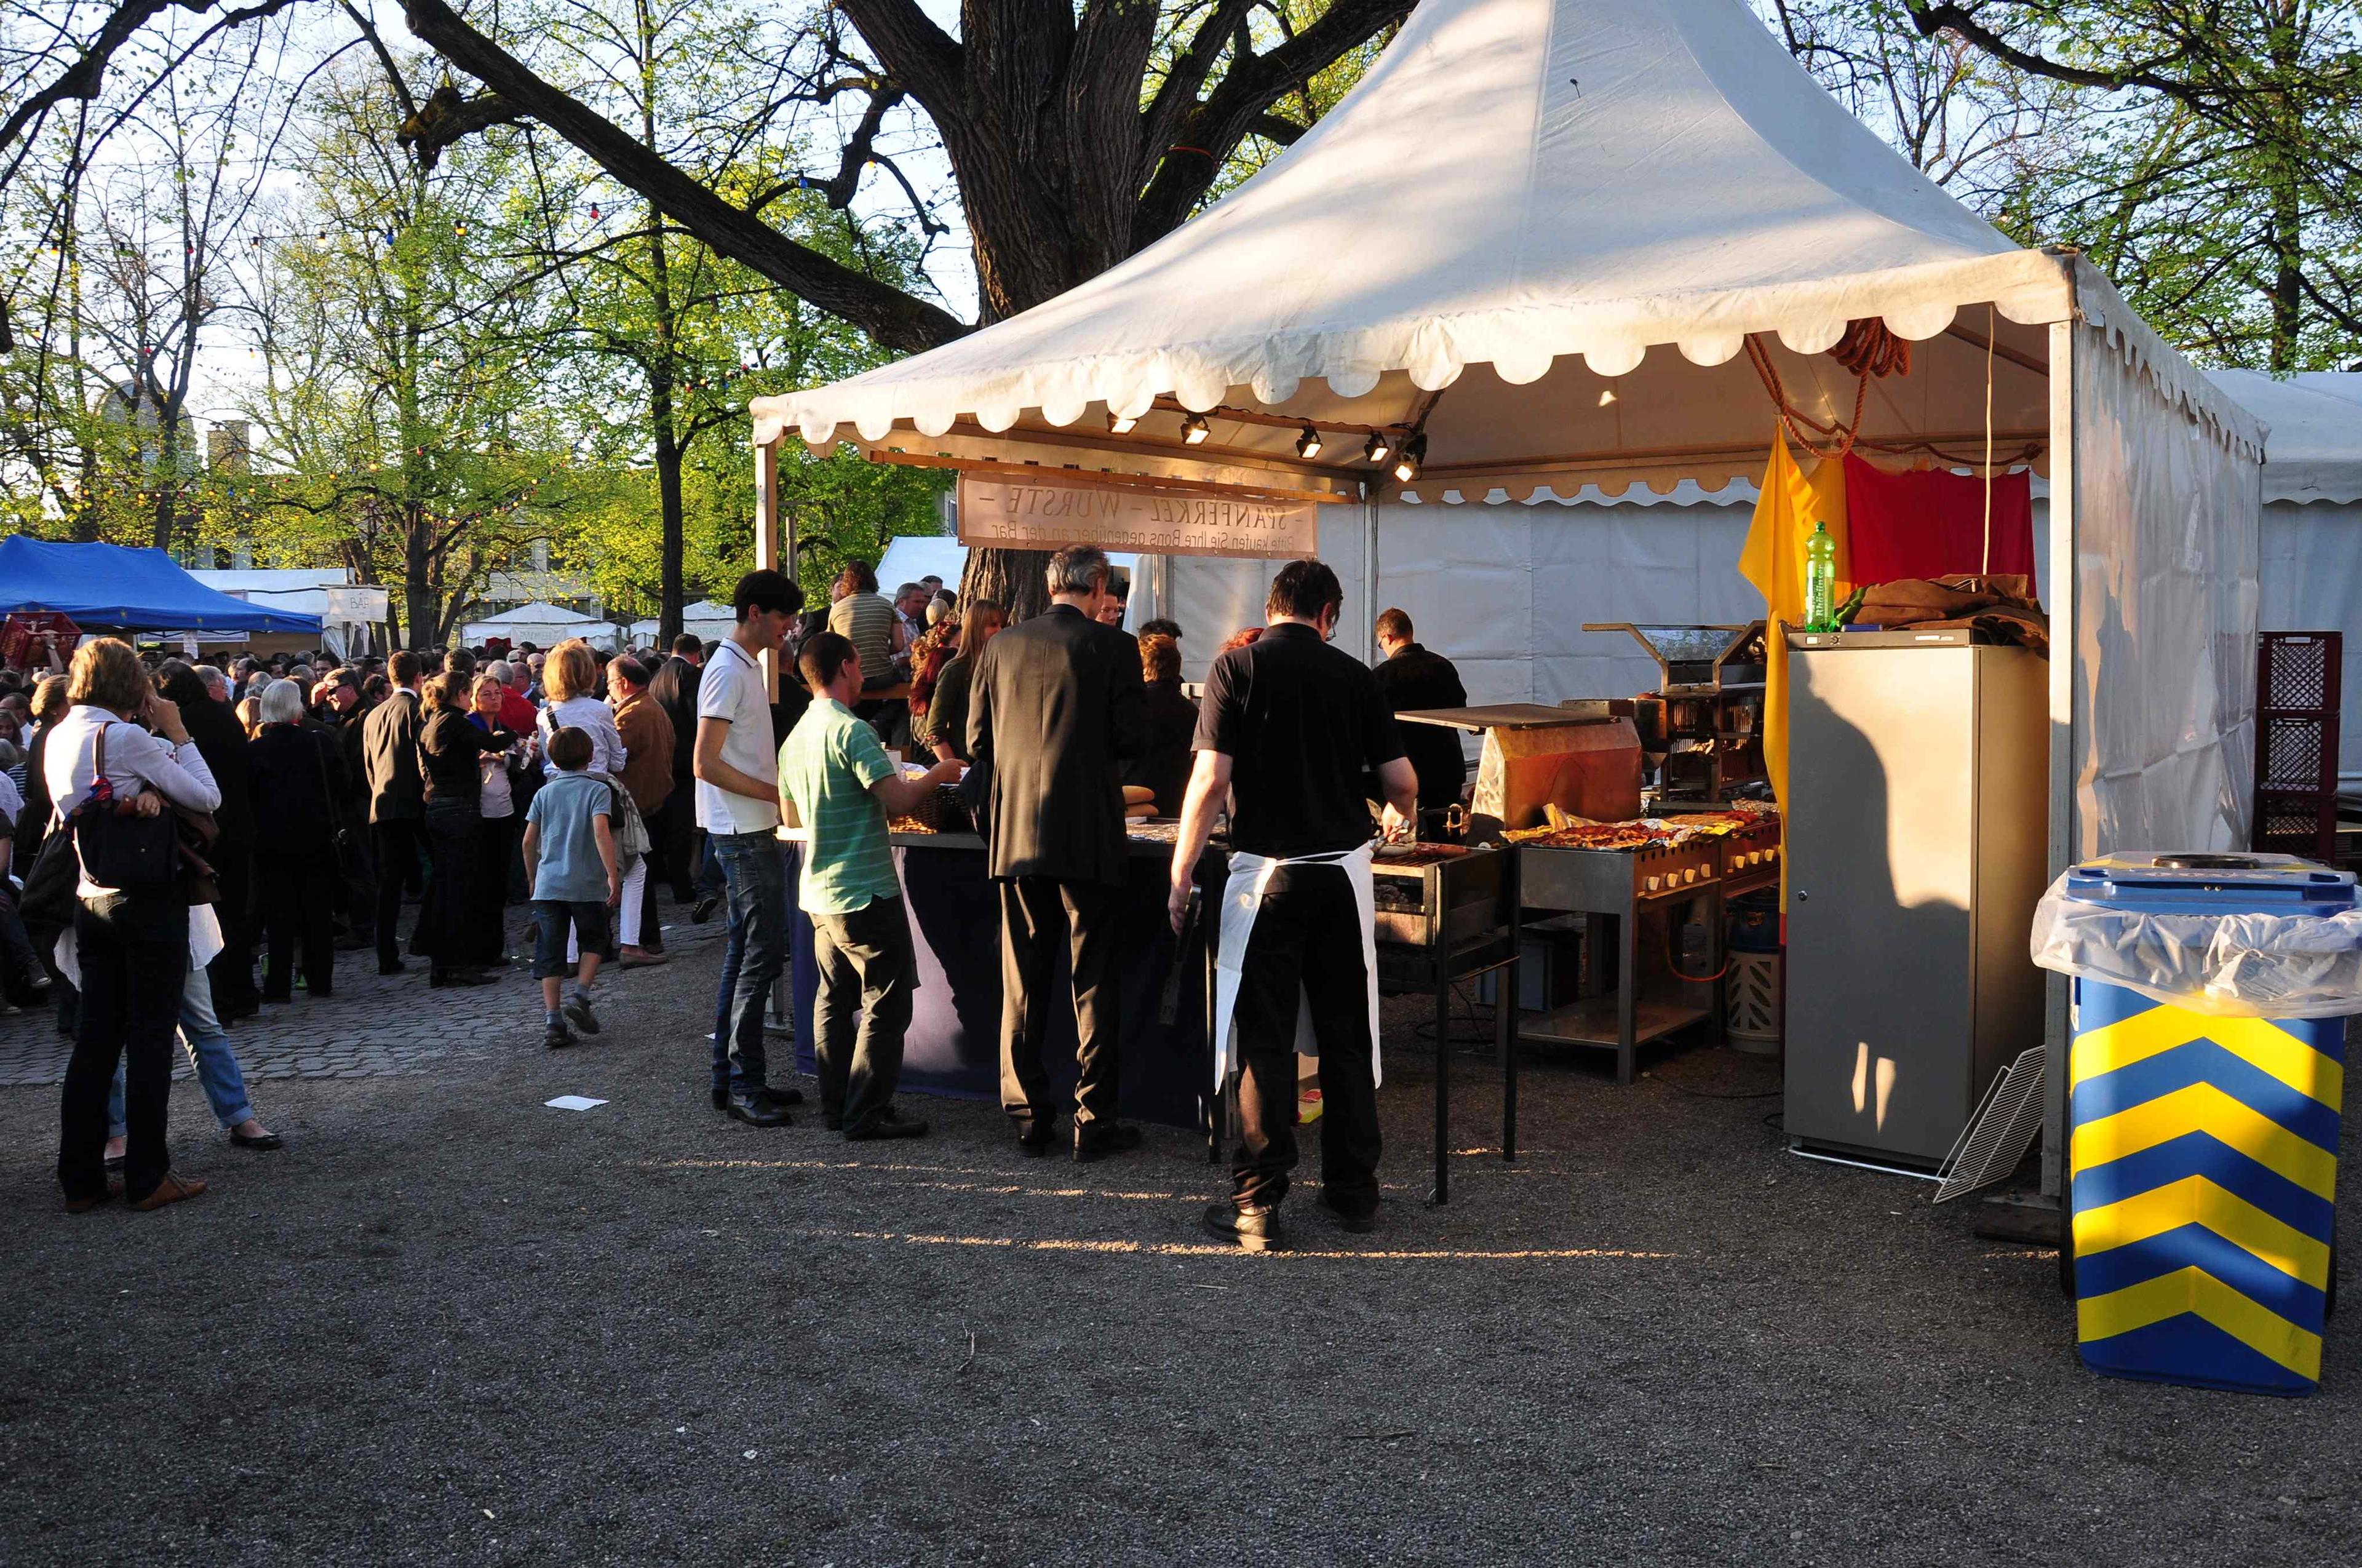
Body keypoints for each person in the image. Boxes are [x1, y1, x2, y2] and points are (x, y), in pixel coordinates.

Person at [1169, 559, 1418, 1248]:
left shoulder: (1235, 670)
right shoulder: (1357, 678)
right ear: (1329, 613)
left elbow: (1210, 779)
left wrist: (1181, 870)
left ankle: (1257, 1204)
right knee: (1346, 1034)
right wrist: (1402, 812)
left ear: (1273, 604)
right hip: (1341, 877)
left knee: (1265, 1040)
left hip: (1264, 880)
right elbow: (1403, 780)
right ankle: (1353, 1193)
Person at [967, 546, 1146, 1160]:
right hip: (1090, 834)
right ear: (1097, 585)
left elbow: (976, 741)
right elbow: (1133, 736)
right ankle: (1093, 1120)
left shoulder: (999, 647)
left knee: (1023, 982)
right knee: (1093, 983)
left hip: (1015, 836)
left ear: (1050, 585)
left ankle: (1027, 1116)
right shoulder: (1115, 648)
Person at [50, 637, 222, 1212]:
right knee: (150, 1036)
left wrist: (144, 791)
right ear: (132, 684)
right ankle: (150, 1174)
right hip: (145, 900)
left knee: (96, 1040)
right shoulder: (126, 736)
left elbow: (97, 800)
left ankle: (80, 1177)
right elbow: (207, 796)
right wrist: (179, 733)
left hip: (89, 895)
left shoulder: (59, 735)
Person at [780, 632, 957, 1138]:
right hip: (865, 888)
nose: (863, 675)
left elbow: (791, 814)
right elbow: (899, 800)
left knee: (833, 1000)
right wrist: (941, 771)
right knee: (888, 1000)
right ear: (845, 666)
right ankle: (866, 1110)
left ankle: (837, 1106)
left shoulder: (797, 736)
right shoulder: (852, 731)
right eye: (859, 665)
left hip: (818, 892)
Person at [695, 569, 807, 1126]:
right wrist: (778, 794)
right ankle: (743, 1081)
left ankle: (732, 1077)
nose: (790, 627)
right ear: (757, 612)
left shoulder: (739, 665)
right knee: (760, 953)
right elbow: (705, 762)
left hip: (747, 826)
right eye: (785, 616)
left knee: (747, 952)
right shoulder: (726, 668)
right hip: (741, 830)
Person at [159, 660, 260, 1021]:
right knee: (236, 912)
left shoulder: (179, 725)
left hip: (202, 832)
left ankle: (220, 997)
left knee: (207, 914)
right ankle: (243, 991)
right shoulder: (224, 715)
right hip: (239, 826)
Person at [536, 640, 639, 966]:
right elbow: (618, 759)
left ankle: (567, 954)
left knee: (566, 868)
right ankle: (630, 942)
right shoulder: (599, 709)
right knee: (634, 865)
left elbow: (545, 756)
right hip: (596, 788)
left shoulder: (546, 714)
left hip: (557, 792)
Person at [246, 679, 345, 1001]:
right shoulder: (320, 743)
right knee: (317, 911)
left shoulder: (255, 751)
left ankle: (278, 985)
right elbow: (342, 784)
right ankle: (320, 979)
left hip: (271, 839)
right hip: (315, 836)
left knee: (279, 916)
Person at [522, 725, 619, 1049]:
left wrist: (533, 876)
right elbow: (601, 832)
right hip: (586, 883)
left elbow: (528, 841)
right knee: (595, 938)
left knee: (550, 951)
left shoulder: (544, 793)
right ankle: (580, 995)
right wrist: (612, 874)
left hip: (549, 883)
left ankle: (553, 1020)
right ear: (590, 756)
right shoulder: (597, 790)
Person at [418, 672, 514, 987]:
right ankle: (458, 963)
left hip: (439, 808)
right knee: (459, 889)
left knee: (445, 887)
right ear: (462, 693)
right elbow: (493, 741)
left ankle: (442, 963)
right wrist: (514, 735)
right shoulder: (455, 721)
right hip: (460, 810)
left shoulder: (430, 723)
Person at [362, 650, 428, 974]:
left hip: (383, 804)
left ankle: (386, 953)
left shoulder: (373, 714)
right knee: (440, 870)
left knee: (389, 884)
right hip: (416, 802)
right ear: (419, 678)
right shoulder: (417, 710)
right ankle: (427, 939)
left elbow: (369, 765)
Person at [1372, 608, 1471, 821]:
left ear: (1388, 638)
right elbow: (1461, 708)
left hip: (1407, 774)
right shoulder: (1444, 666)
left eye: (1382, 646)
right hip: (1447, 770)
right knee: (1447, 836)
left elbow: (1374, 727)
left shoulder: (1382, 676)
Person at [606, 654, 674, 963]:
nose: (608, 688)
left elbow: (613, 754)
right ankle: (647, 936)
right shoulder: (650, 706)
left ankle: (645, 937)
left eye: (610, 682)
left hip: (639, 803)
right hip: (653, 799)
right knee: (641, 873)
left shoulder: (633, 713)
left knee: (637, 874)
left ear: (623, 683)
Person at [469, 673, 526, 966]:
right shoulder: (470, 726)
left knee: (499, 878)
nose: (494, 699)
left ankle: (494, 944)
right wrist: (486, 757)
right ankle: (481, 945)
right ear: (475, 699)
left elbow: (513, 760)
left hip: (503, 806)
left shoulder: (502, 728)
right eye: (487, 694)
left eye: (497, 694)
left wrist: (510, 756)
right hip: (479, 808)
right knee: (483, 879)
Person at [648, 634, 707, 911]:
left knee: (665, 823)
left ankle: (668, 876)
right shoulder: (689, 674)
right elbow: (698, 715)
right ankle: (683, 886)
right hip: (685, 759)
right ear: (696, 654)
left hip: (662, 759)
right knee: (682, 827)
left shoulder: (658, 675)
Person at [921, 599, 1003, 765]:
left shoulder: (1004, 665)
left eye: (1002, 625)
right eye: (993, 625)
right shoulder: (955, 670)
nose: (999, 630)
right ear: (976, 627)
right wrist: (959, 771)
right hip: (969, 764)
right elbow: (935, 732)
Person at [1126, 632, 1198, 817]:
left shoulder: (1132, 706)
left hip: (1137, 802)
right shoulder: (1191, 710)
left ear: (1144, 668)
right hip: (1178, 803)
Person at [827, 560, 904, 690]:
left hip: (850, 677)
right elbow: (898, 645)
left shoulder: (837, 609)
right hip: (883, 675)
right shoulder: (886, 605)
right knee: (903, 692)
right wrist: (880, 651)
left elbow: (830, 645)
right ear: (873, 580)